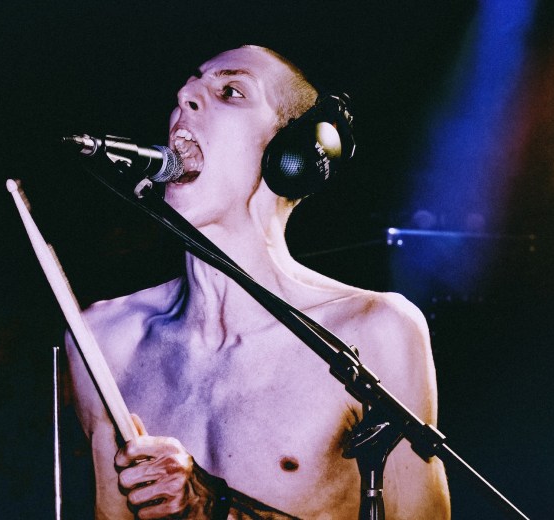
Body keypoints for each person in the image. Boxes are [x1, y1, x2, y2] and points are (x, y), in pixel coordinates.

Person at [65, 45, 451, 519]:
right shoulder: (104, 338)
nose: (185, 94)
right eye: (188, 85)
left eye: (230, 91)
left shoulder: (374, 330)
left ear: (291, 155)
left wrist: (215, 507)